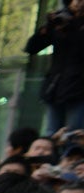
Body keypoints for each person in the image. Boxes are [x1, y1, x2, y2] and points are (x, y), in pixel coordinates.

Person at [29, 0, 84, 134]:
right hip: (56, 87)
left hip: (79, 88)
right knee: (52, 133)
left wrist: (74, 24)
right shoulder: (61, 23)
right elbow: (32, 47)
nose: (78, 3)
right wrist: (49, 26)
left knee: (74, 133)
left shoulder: (76, 26)